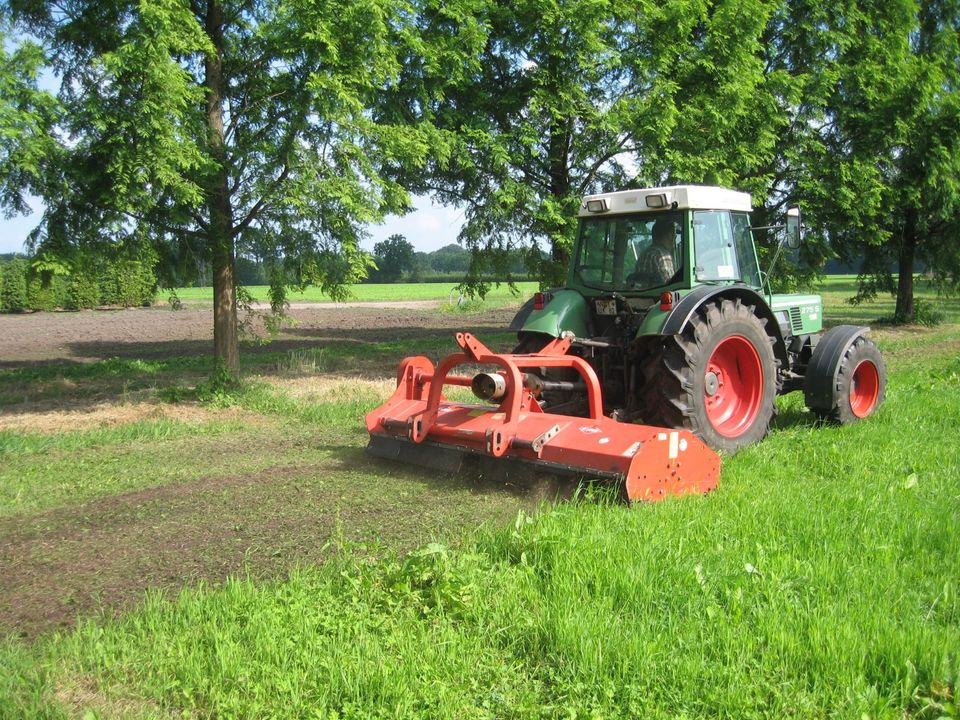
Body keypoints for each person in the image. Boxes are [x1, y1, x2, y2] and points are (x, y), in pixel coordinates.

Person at [630, 219, 677, 286]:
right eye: (674, 235)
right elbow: (670, 285)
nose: (674, 239)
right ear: (670, 236)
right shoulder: (663, 256)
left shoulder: (643, 255)